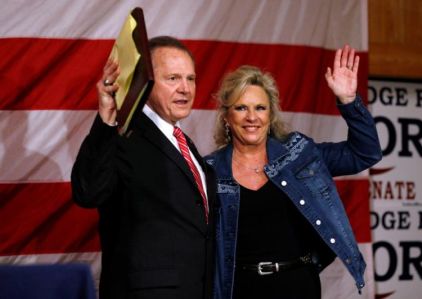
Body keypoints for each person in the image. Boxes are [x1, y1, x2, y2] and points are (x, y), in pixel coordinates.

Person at [205, 45, 382, 299]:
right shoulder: (208, 170)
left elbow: (366, 152)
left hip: (298, 286)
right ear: (226, 117)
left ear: (271, 115)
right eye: (241, 108)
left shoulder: (300, 153)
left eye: (260, 108)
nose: (252, 117)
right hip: (240, 290)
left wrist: (349, 101)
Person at [71, 36, 216, 299]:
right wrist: (106, 121)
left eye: (190, 78)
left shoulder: (184, 144)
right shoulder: (125, 134)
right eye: (173, 78)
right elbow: (87, 192)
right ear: (145, 83)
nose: (185, 88)